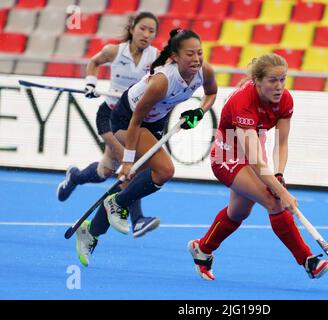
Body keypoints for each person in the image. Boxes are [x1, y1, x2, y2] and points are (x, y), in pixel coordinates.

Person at [75, 28, 218, 267]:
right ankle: (117, 204)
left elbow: (212, 93)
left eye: (200, 53)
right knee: (164, 170)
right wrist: (128, 160)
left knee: (136, 180)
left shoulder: (204, 72)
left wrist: (199, 112)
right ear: (174, 56)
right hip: (126, 119)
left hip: (156, 121)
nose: (196, 59)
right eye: (190, 54)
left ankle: (91, 231)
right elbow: (135, 121)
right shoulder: (161, 81)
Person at [187, 53, 328, 281]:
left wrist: (279, 174)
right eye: (273, 80)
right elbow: (253, 159)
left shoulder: (285, 100)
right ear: (257, 81)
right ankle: (308, 260)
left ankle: (203, 248)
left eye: (283, 79)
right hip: (228, 155)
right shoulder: (243, 102)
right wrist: (282, 193)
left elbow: (282, 143)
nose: (279, 86)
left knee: (238, 213)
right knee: (274, 201)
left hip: (256, 151)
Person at [57, 12, 161, 238]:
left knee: (105, 171)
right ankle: (138, 220)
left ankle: (75, 177)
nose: (146, 34)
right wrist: (91, 84)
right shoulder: (115, 51)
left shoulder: (156, 58)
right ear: (132, 28)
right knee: (131, 163)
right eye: (142, 28)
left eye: (151, 31)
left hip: (131, 121)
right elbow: (94, 63)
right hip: (110, 116)